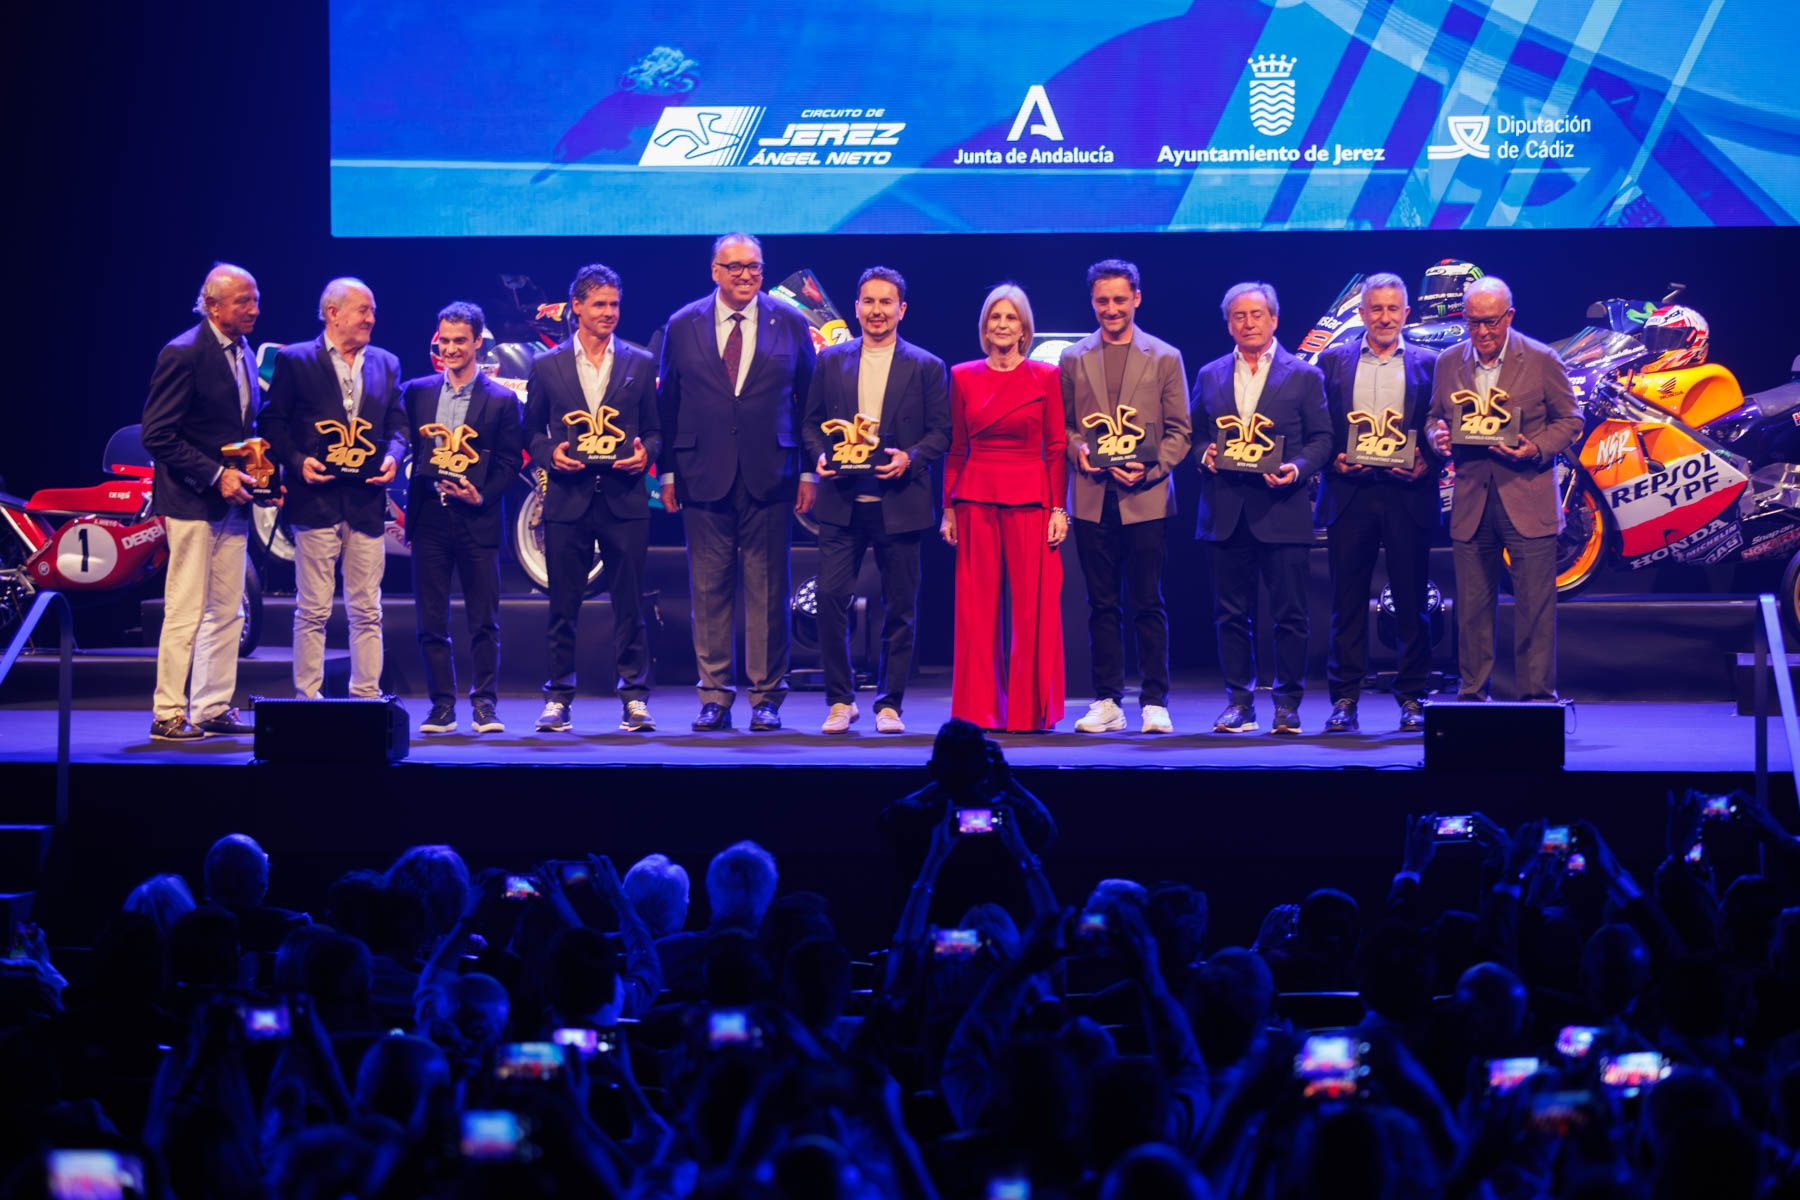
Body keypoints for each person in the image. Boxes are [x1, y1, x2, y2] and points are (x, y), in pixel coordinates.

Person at [657, 233, 817, 732]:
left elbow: (809, 400)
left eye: (754, 266)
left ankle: (766, 697)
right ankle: (715, 696)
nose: (745, 275)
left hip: (772, 473)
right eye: (735, 267)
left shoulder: (790, 320)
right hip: (702, 473)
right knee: (708, 591)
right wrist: (665, 471)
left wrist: (809, 469)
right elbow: (668, 404)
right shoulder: (683, 325)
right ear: (715, 271)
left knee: (769, 591)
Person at [803, 266, 951, 735]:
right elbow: (809, 423)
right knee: (829, 597)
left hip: (899, 501)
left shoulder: (926, 366)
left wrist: (910, 458)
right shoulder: (831, 362)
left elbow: (942, 432)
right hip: (842, 502)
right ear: (856, 307)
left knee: (900, 607)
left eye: (886, 302)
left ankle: (890, 704)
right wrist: (820, 456)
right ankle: (840, 701)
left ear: (901, 310)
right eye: (868, 301)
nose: (877, 311)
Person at [1427, 276, 1581, 701]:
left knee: (1534, 608)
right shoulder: (1448, 362)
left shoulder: (1541, 358)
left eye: (1491, 322)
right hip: (1472, 501)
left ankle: (1536, 700)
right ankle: (1473, 694)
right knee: (1473, 609)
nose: (1483, 332)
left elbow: (1571, 420)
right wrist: (1435, 438)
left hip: (1527, 496)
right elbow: (1434, 417)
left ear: (1509, 316)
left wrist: (1536, 448)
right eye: (1473, 322)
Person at [525, 264, 661, 734]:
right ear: (577, 307)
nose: (609, 313)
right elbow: (531, 432)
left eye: (615, 305)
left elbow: (655, 432)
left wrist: (645, 454)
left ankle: (635, 698)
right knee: (563, 605)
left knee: (630, 604)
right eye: (599, 304)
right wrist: (550, 454)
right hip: (568, 499)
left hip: (624, 499)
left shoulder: (641, 362)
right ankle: (558, 697)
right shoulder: (547, 365)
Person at [1191, 281, 1330, 734]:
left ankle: (1287, 704)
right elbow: (1193, 434)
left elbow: (1323, 439)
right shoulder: (1209, 374)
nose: (1248, 323)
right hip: (1225, 512)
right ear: (1228, 323)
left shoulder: (1304, 375)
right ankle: (1239, 702)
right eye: (1238, 316)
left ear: (1274, 319)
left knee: (1290, 613)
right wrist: (1204, 454)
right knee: (1231, 613)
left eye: (1256, 315)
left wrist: (1296, 468)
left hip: (1282, 510)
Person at [1061, 259, 1190, 735]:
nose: (1111, 309)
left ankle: (1154, 700)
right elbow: (1067, 426)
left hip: (1147, 496)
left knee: (1148, 602)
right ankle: (1107, 699)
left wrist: (1151, 468)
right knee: (1101, 605)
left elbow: (1181, 430)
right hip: (1094, 496)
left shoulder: (1165, 356)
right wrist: (1079, 452)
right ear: (1092, 302)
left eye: (1119, 299)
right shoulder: (1073, 357)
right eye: (1102, 301)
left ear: (1137, 297)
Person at [261, 277, 406, 699]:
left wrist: (394, 456)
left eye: (372, 310)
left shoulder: (386, 362)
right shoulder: (296, 360)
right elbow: (272, 422)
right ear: (333, 313)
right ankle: (308, 696)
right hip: (316, 501)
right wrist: (296, 461)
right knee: (313, 610)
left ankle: (366, 696)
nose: (371, 319)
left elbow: (398, 424)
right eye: (363, 310)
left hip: (365, 502)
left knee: (367, 609)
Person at [141, 263, 264, 741]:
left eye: (255, 299)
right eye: (242, 302)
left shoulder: (244, 350)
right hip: (192, 501)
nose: (253, 309)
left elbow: (237, 430)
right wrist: (216, 476)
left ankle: (211, 705)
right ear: (212, 305)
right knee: (186, 608)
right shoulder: (183, 353)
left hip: (232, 504)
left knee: (228, 608)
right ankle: (168, 712)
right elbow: (158, 435)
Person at [1316, 273, 1441, 734]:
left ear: (1406, 313)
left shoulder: (1432, 363)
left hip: (1408, 494)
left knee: (1412, 602)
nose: (1385, 317)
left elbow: (1442, 424)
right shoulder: (1331, 362)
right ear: (1363, 313)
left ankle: (1412, 696)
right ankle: (1344, 699)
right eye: (1376, 309)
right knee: (1346, 603)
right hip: (1350, 496)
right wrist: (1334, 461)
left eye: (1393, 309)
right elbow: (1319, 428)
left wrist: (1428, 462)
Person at [941, 284, 1068, 732]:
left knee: (1033, 608)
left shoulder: (1046, 377)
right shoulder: (961, 376)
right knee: (976, 611)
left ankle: (1029, 711)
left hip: (1031, 499)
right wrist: (948, 508)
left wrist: (1059, 509)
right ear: (984, 326)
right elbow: (956, 448)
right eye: (995, 317)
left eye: (1011, 317)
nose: (1002, 324)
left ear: (1024, 328)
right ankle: (979, 712)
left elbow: (1055, 447)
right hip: (974, 497)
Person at [401, 301, 525, 735]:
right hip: (431, 520)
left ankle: (485, 705)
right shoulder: (417, 392)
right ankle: (441, 706)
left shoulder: (502, 400)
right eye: (444, 341)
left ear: (477, 342)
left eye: (459, 341)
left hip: (478, 518)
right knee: (430, 619)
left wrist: (481, 494)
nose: (451, 349)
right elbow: (404, 445)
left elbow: (511, 463)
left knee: (483, 620)